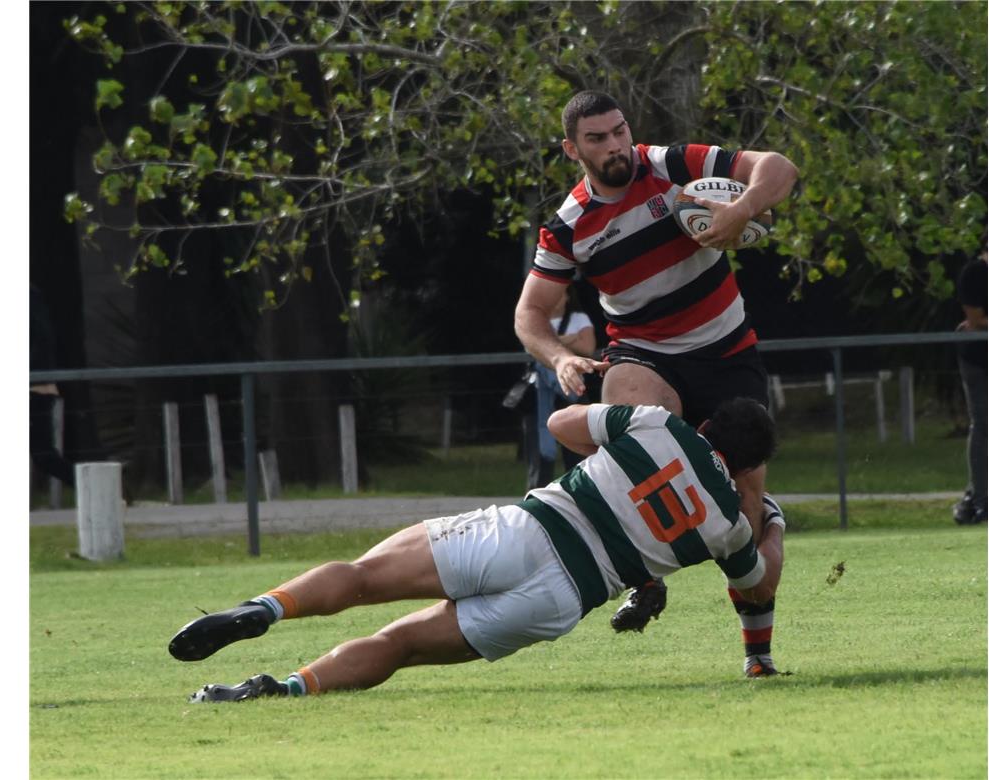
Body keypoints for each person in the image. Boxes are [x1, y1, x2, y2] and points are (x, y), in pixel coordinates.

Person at [169, 398, 785, 701]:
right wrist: (772, 521)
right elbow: (758, 583)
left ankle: (265, 609)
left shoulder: (658, 423)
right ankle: (287, 688)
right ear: (751, 466)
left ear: (706, 427)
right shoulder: (730, 525)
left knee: (362, 578)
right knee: (399, 645)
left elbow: (561, 425)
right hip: (560, 599)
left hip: (523, 532)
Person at [512, 90, 798, 676]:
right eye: (597, 138)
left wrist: (741, 208)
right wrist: (560, 358)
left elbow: (779, 167)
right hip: (643, 354)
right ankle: (643, 578)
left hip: (726, 352)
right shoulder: (568, 226)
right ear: (573, 148)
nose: (615, 144)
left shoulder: (671, 165)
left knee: (742, 520)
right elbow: (530, 314)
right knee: (634, 452)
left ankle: (758, 656)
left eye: (619, 131)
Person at [527, 288, 597, 488]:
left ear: (567, 297)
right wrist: (570, 339)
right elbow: (531, 346)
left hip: (572, 392)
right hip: (541, 391)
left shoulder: (578, 318)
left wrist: (551, 343)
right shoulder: (538, 319)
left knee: (575, 449)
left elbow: (587, 347)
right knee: (538, 447)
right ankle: (536, 493)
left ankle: (579, 491)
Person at [30, 284, 78, 489]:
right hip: (38, 384)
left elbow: (40, 341)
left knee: (44, 455)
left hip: (35, 388)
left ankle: (102, 488)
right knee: (44, 455)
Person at [953, 252, 987, 525]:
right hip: (979, 359)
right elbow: (975, 319)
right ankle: (981, 499)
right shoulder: (975, 273)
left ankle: (973, 494)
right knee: (984, 424)